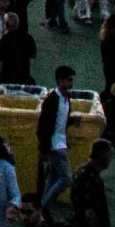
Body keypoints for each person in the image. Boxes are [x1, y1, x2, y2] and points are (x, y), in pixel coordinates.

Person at [33, 66, 78, 208]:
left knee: (52, 178)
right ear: (60, 81)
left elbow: (60, 120)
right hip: (56, 144)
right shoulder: (52, 100)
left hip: (59, 143)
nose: (71, 83)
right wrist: (44, 149)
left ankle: (41, 206)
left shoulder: (65, 98)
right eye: (69, 80)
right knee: (66, 178)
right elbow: (44, 126)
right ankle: (43, 206)